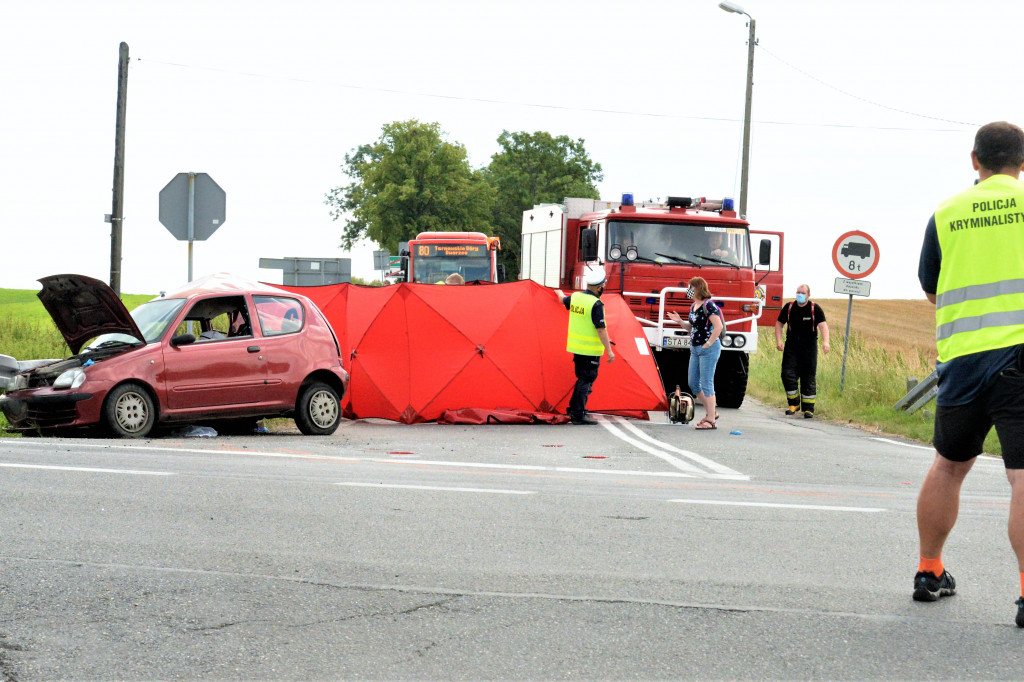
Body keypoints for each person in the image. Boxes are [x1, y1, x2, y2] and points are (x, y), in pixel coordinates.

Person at [913, 121, 1024, 625]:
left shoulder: (947, 212)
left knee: (948, 465)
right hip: (1020, 356)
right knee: (1022, 475)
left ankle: (929, 570)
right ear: (1022, 164)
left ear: (973, 159)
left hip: (961, 360)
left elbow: (933, 289)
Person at [560, 267, 615, 425]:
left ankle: (575, 409)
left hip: (577, 348)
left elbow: (562, 299)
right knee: (586, 380)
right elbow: (600, 329)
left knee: (582, 379)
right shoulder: (596, 304)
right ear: (599, 287)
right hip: (590, 350)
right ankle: (578, 413)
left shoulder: (576, 297)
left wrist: (558, 293)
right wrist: (609, 351)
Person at [666, 276, 723, 429]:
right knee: (693, 384)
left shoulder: (709, 306)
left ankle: (711, 420)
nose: (688, 290)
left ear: (697, 288)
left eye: (691, 287)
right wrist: (679, 321)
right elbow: (692, 328)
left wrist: (708, 343)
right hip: (695, 348)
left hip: (708, 349)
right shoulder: (693, 307)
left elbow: (718, 327)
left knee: (706, 383)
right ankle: (712, 411)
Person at [774, 284, 830, 418]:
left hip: (809, 348)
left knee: (808, 377)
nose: (800, 294)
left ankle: (808, 409)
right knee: (787, 374)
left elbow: (823, 326)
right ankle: (793, 404)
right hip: (791, 347)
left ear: (808, 295)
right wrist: (779, 341)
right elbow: (779, 324)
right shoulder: (789, 307)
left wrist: (826, 342)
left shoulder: (814, 308)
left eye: (803, 293)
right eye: (798, 292)